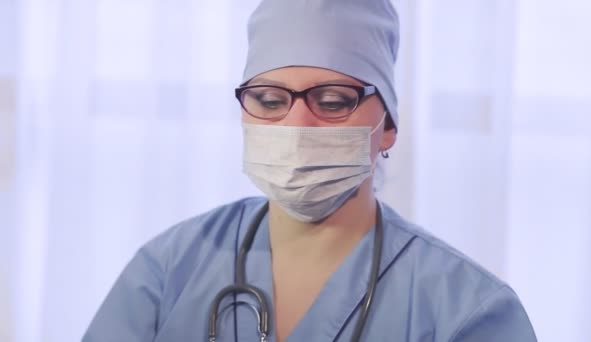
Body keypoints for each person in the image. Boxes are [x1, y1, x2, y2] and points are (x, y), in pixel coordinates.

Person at [83, 0, 537, 341]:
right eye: (270, 100)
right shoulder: (169, 270)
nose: (297, 127)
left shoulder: (466, 310)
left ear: (388, 128)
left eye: (333, 101)